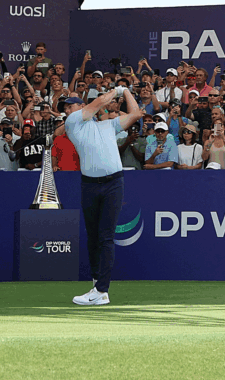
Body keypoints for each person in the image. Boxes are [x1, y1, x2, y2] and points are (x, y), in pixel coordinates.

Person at [64, 87, 143, 307]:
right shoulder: (72, 123)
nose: (67, 110)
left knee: (106, 237)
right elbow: (100, 102)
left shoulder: (108, 125)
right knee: (93, 237)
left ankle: (101, 291)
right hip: (90, 185)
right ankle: (97, 285)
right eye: (66, 107)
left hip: (114, 183)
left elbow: (136, 114)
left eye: (70, 105)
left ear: (81, 106)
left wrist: (125, 90)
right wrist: (116, 89)